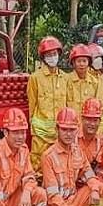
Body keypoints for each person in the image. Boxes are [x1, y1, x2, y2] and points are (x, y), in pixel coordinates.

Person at [42, 107, 103, 206]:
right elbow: (52, 195)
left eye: (72, 130)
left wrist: (95, 190)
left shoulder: (77, 151)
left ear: (76, 130)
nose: (68, 134)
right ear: (57, 129)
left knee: (102, 188)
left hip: (73, 200)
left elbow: (89, 174)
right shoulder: (48, 156)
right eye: (64, 129)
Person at [28, 36, 68, 169]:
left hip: (59, 133)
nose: (52, 57)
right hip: (41, 135)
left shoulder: (64, 78)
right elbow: (32, 106)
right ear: (43, 57)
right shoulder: (35, 78)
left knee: (59, 164)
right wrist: (34, 130)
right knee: (38, 164)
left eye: (54, 54)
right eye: (49, 55)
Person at [66, 44, 102, 118]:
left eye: (84, 61)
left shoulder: (95, 83)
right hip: (70, 123)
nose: (81, 64)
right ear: (73, 63)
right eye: (79, 61)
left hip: (88, 123)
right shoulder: (66, 80)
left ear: (88, 63)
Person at [78, 97, 103, 179]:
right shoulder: (72, 138)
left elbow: (102, 169)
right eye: (88, 119)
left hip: (92, 181)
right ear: (82, 119)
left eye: (95, 120)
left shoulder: (102, 142)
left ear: (100, 121)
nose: (92, 124)